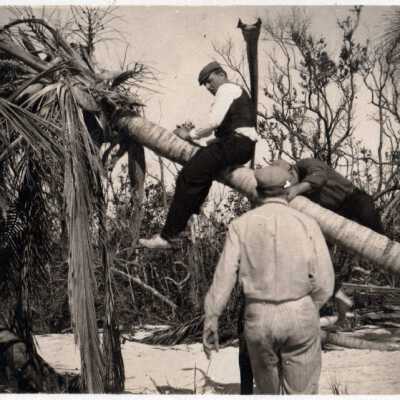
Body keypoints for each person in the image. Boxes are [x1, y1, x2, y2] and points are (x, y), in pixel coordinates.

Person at [202, 164, 334, 394]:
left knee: (267, 393)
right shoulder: (307, 223)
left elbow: (224, 277)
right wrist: (309, 308)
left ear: (259, 191)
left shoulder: (240, 225)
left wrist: (212, 317)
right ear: (287, 189)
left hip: (258, 316)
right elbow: (325, 281)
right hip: (299, 310)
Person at [139, 61, 257, 249]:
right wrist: (196, 139)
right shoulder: (231, 92)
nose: (208, 87)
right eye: (205, 85)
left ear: (221, 74)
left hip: (237, 144)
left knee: (189, 175)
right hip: (236, 144)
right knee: (199, 175)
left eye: (209, 82)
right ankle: (184, 224)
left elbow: (213, 122)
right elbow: (220, 130)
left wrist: (190, 134)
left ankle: (169, 235)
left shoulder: (226, 89)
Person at [271, 158, 384, 329]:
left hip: (353, 199)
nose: (287, 185)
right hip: (332, 215)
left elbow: (319, 177)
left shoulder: (307, 164)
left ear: (292, 169)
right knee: (317, 257)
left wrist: (297, 188)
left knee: (382, 243)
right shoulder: (291, 183)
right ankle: (339, 295)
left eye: (287, 180)